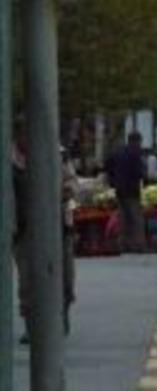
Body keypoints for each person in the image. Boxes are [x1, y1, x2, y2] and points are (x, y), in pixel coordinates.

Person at [12, 125, 79, 344]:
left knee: (65, 278)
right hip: (24, 229)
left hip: (58, 226)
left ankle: (61, 315)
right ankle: (32, 326)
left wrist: (64, 190)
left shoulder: (57, 153)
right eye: (23, 134)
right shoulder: (10, 160)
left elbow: (72, 182)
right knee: (28, 282)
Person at [106, 131, 146, 252]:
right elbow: (140, 172)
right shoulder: (136, 153)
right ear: (137, 141)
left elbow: (108, 165)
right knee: (135, 217)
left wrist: (112, 180)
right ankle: (138, 244)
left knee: (122, 217)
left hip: (119, 189)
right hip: (132, 190)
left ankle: (123, 243)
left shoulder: (118, 152)